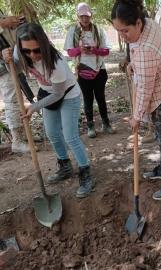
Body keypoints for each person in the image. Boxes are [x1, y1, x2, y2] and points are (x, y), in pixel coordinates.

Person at [3, 23, 95, 198]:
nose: (32, 55)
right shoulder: (19, 52)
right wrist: (7, 59)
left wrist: (34, 106)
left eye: (36, 50)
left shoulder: (56, 62)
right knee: (52, 133)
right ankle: (65, 166)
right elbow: (14, 69)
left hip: (67, 94)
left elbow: (59, 93)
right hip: (47, 92)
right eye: (27, 51)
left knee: (70, 136)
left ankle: (85, 172)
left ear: (43, 45)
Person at [111, 0, 161, 200]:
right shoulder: (148, 23)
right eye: (118, 31)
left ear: (137, 23)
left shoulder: (146, 50)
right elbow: (139, 58)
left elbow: (144, 89)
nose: (122, 36)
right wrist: (133, 64)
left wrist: (136, 117)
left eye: (125, 31)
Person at [64, 2, 114, 138]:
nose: (85, 19)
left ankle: (106, 123)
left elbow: (106, 52)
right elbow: (70, 53)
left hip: (99, 70)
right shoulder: (72, 31)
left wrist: (95, 50)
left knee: (101, 97)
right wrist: (80, 50)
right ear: (78, 16)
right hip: (83, 71)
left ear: (91, 15)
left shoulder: (98, 30)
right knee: (87, 99)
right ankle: (90, 126)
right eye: (82, 16)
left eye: (87, 16)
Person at [0, 12, 29, 153]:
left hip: (11, 57)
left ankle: (24, 135)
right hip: (2, 63)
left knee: (18, 98)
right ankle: (17, 140)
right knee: (12, 99)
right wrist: (2, 23)